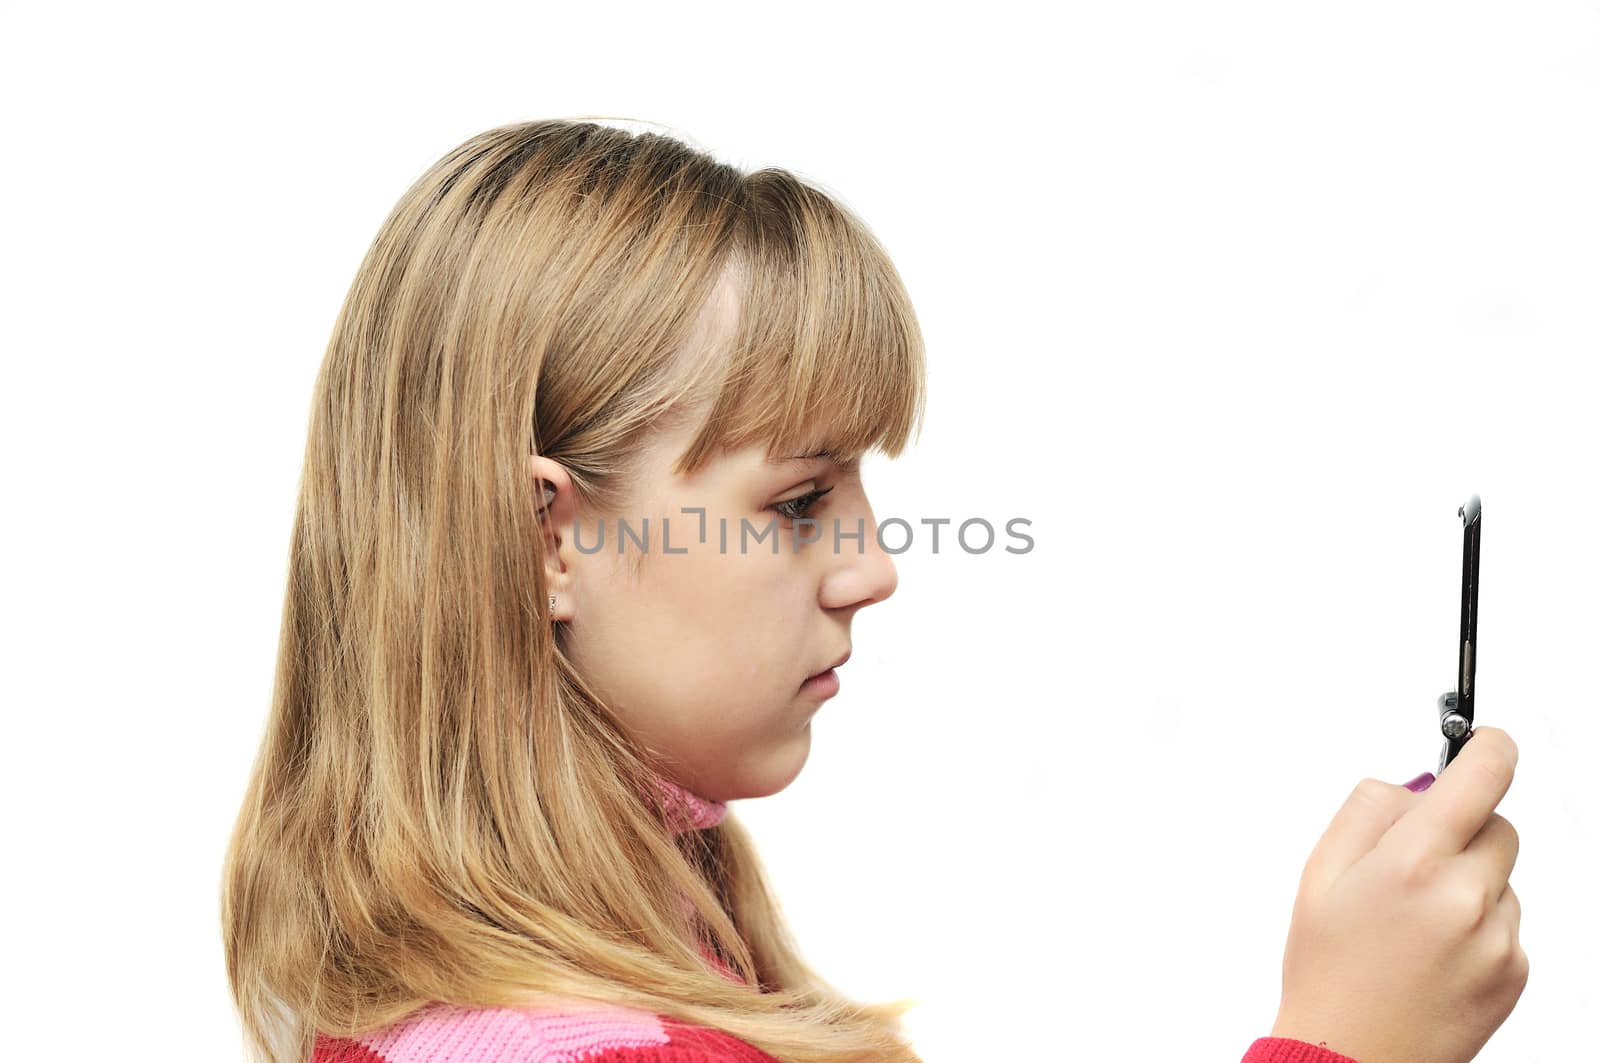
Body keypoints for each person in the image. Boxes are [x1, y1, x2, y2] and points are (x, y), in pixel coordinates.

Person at [220, 119, 1528, 1063]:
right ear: (548, 542)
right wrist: (1350, 1051)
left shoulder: (469, 997)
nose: (875, 566)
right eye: (796, 504)